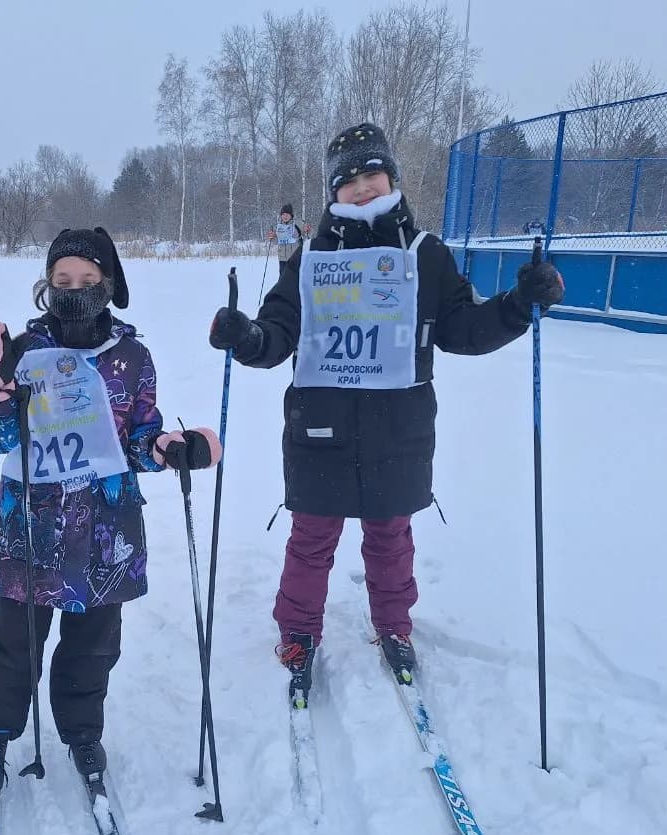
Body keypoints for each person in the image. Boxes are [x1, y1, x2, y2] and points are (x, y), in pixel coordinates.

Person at [208, 123, 563, 703]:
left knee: (391, 536)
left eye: (372, 175)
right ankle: (298, 631)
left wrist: (518, 307)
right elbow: (277, 331)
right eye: (348, 181)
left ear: (391, 179)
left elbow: (461, 328)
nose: (362, 188)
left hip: (398, 431)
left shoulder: (426, 255)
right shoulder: (311, 259)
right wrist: (246, 337)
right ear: (333, 195)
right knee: (311, 538)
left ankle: (394, 626)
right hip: (319, 428)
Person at [0, 227, 220, 794]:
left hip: (107, 532)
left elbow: (140, 437)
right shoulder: (26, 350)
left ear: (108, 284)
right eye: (62, 281)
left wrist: (171, 449)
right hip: (30, 527)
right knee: (12, 643)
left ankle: (82, 731)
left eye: (86, 280)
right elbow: (0, 437)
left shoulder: (132, 356)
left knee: (94, 646)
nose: (74, 290)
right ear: (46, 286)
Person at [268, 203, 301, 276]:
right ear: (281, 216)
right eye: (283, 214)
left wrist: (307, 230)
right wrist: (272, 237)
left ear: (291, 216)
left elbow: (307, 233)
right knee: (282, 279)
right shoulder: (278, 227)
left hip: (294, 258)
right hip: (282, 258)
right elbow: (276, 242)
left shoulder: (297, 225)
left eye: (287, 214)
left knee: (294, 278)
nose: (285, 216)